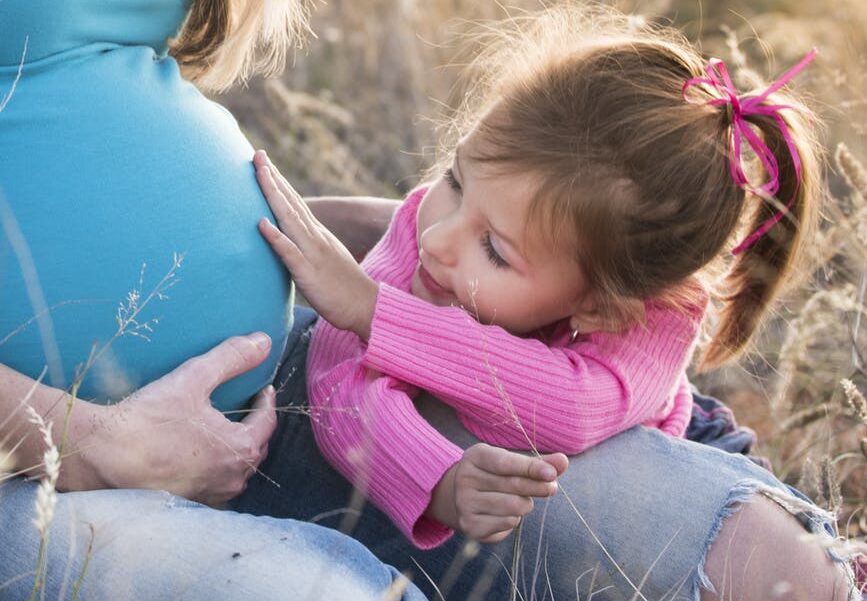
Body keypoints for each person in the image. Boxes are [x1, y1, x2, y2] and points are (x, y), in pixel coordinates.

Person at [0, 2, 859, 601]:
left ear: (607, 307)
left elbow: (561, 401)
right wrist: (92, 440)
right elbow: (348, 371)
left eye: (491, 242)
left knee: (775, 570)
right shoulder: (446, 246)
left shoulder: (634, 319)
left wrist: (355, 284)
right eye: (449, 184)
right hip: (44, 465)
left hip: (297, 394)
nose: (439, 232)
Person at [0, 0, 426, 598]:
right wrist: (87, 445)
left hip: (261, 402)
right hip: (33, 470)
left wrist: (297, 229)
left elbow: (72, 100)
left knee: (574, 514)